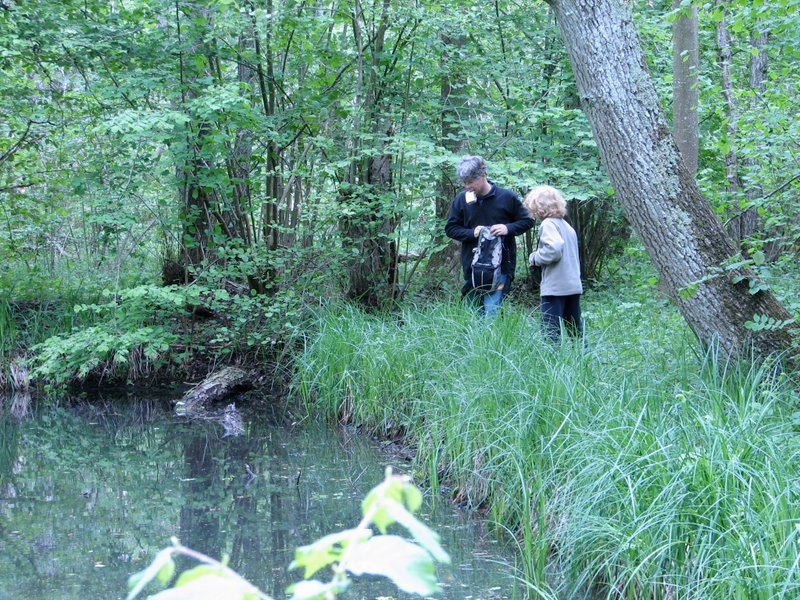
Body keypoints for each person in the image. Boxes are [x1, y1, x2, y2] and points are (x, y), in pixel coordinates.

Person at [445, 155, 534, 316]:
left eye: (470, 182)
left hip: (501, 268)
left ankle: (491, 341)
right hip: (472, 268)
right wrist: (473, 232)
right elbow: (451, 229)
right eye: (464, 183)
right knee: (472, 314)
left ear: (483, 176)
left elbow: (527, 221)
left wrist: (508, 228)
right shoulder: (461, 200)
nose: (467, 186)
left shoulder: (507, 197)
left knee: (492, 312)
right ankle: (472, 342)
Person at [524, 185, 584, 340]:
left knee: (550, 331)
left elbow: (554, 248)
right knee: (575, 330)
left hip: (555, 287)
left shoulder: (548, 224)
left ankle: (551, 361)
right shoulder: (566, 225)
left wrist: (535, 258)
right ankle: (582, 359)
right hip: (572, 285)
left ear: (538, 206)